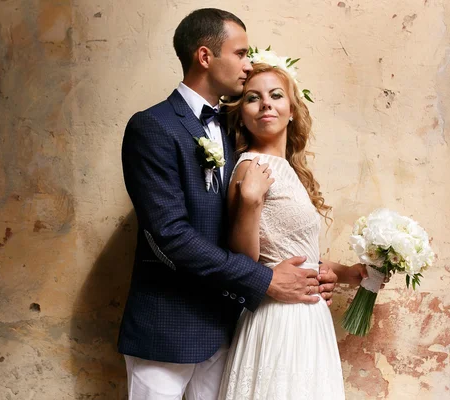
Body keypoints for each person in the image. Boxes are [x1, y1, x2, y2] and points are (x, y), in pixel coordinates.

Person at [118, 9, 339, 400]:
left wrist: (313, 271)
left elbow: (266, 224)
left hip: (230, 326)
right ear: (205, 57)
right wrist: (266, 281)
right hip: (169, 325)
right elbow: (169, 234)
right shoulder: (153, 126)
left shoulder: (235, 125)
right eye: (240, 53)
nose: (248, 63)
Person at [218, 62, 371, 399]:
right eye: (252, 98)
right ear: (241, 115)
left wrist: (352, 274)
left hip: (308, 316)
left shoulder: (289, 170)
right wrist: (249, 202)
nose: (266, 104)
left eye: (276, 95)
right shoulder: (250, 167)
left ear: (291, 111)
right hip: (278, 316)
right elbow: (243, 260)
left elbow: (299, 255)